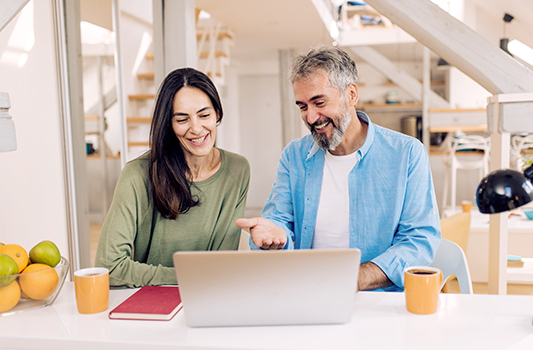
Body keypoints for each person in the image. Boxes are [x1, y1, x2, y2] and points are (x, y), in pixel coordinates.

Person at [235, 46, 440, 292]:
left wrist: (356, 277)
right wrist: (274, 237)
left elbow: (419, 239)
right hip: (308, 292)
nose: (311, 117)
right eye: (302, 106)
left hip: (379, 301)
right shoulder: (294, 156)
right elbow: (279, 222)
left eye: (319, 102)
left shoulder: (407, 153)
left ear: (351, 95)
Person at [95, 67, 250, 288]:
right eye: (182, 119)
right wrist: (185, 277)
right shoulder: (137, 175)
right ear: (168, 123)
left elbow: (220, 264)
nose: (196, 128)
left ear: (217, 113)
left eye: (204, 115)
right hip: (149, 303)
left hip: (208, 295)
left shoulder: (237, 169)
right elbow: (109, 268)